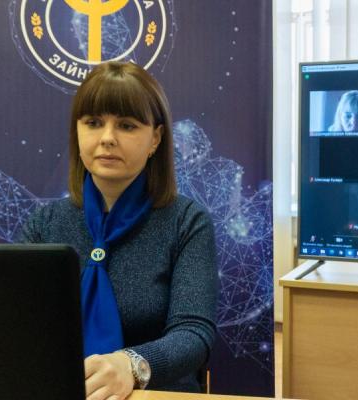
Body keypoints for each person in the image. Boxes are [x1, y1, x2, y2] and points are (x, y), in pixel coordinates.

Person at [18, 62, 218, 397]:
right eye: (93, 123)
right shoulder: (45, 223)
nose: (107, 138)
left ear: (155, 138)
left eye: (126, 125)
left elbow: (194, 333)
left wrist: (132, 365)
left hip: (155, 393)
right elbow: (14, 319)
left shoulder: (187, 222)